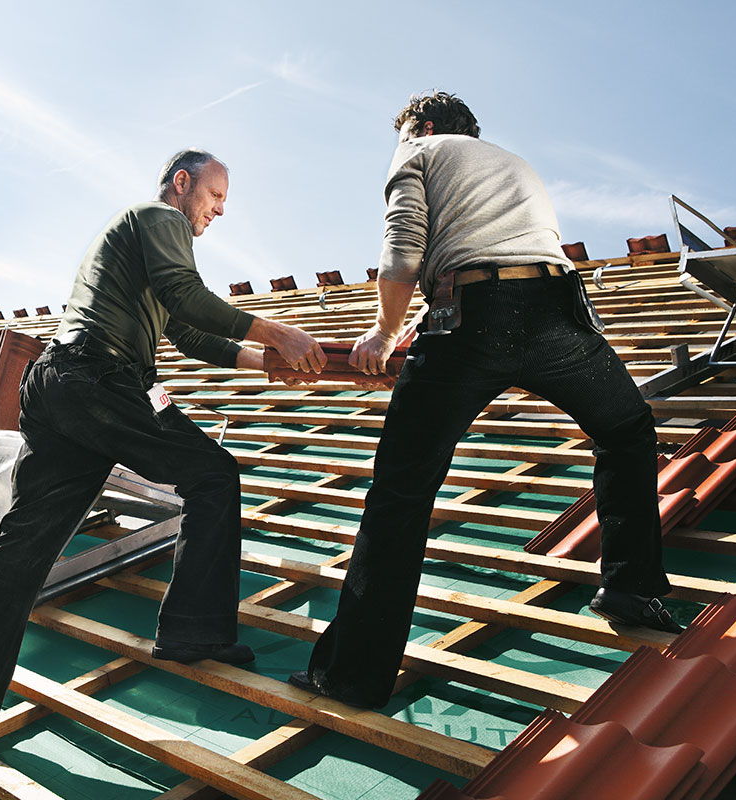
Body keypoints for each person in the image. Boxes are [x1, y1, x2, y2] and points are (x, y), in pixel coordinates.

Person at [289, 92, 680, 711]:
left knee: (402, 490)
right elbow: (491, 251)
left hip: (474, 317)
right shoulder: (512, 163)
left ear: (424, 124)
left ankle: (351, 675)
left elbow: (402, 255)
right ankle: (632, 591)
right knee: (629, 431)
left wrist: (385, 335)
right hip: (561, 311)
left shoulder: (417, 151)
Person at [0, 149, 326, 736]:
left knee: (24, 545)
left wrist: (261, 359)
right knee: (214, 476)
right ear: (181, 183)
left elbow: (185, 329)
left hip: (59, 385)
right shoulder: (160, 219)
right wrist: (278, 331)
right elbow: (187, 296)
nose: (218, 211)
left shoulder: (143, 249)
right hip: (101, 378)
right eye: (214, 197)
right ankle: (193, 632)